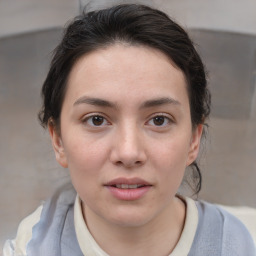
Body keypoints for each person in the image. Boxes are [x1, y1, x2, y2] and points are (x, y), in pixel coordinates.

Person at [3, 3, 256, 256]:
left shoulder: (244, 244)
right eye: (97, 120)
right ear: (58, 139)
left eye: (159, 120)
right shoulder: (29, 247)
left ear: (193, 139)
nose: (128, 152)